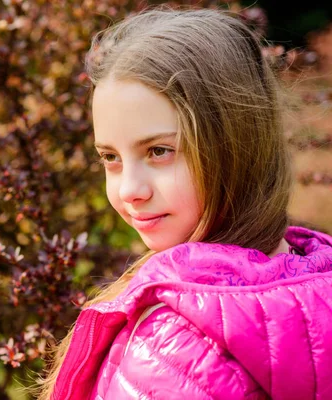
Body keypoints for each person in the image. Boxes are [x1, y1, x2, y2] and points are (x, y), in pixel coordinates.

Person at [35, 6, 332, 400]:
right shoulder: (314, 282)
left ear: (235, 146)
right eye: (110, 158)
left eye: (159, 151)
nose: (129, 190)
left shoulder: (172, 349)